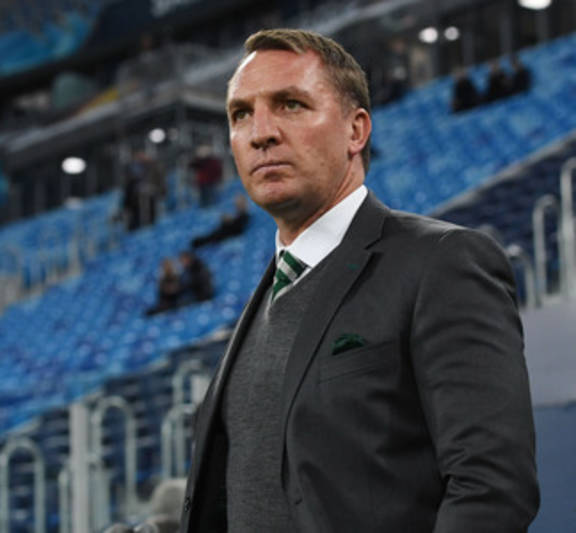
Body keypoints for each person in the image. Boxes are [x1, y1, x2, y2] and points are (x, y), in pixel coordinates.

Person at [180, 29, 538, 533]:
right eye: (241, 114)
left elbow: (493, 488)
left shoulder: (442, 263)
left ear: (356, 130)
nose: (260, 132)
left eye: (290, 105)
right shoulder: (265, 300)